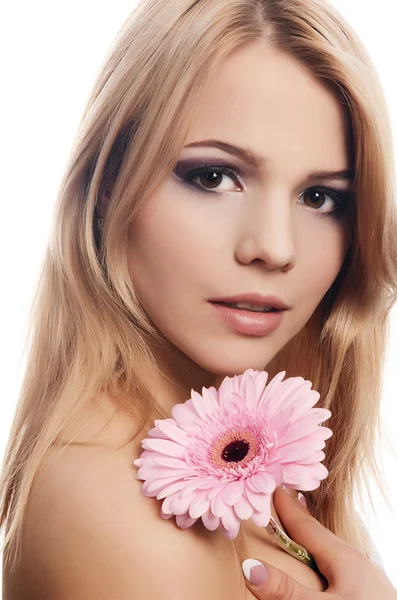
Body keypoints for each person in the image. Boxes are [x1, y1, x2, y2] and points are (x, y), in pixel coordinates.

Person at [1, 0, 397, 597]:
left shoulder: (278, 481)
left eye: (320, 197)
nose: (274, 247)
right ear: (108, 187)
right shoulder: (115, 512)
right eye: (214, 177)